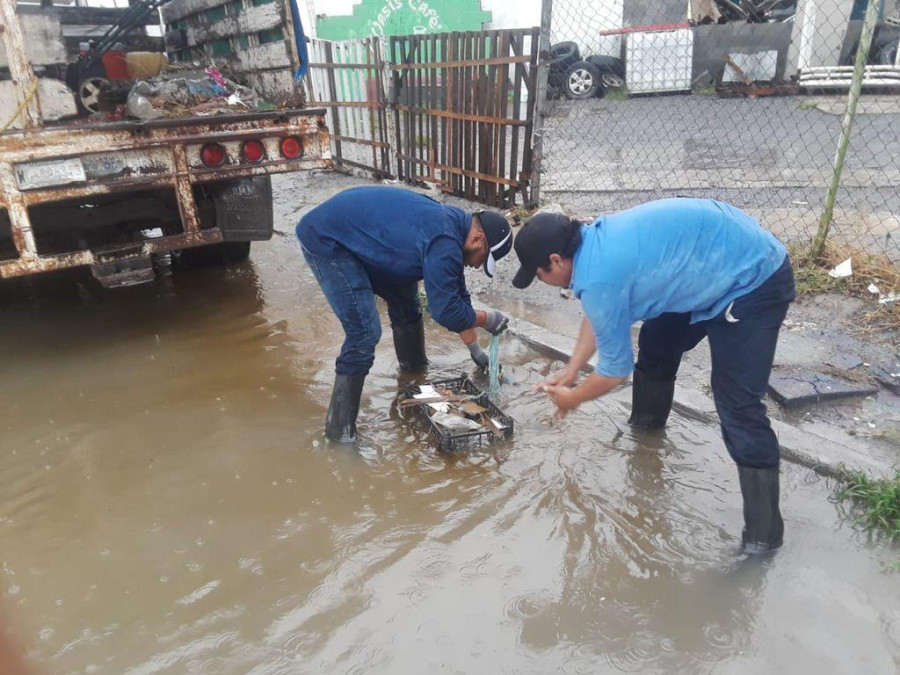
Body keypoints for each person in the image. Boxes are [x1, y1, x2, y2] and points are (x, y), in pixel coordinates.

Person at [511, 198, 795, 554]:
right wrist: (571, 371)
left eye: (539, 275)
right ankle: (646, 433)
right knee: (657, 345)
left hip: (752, 276)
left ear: (555, 260)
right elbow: (600, 316)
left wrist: (574, 397)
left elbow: (615, 371)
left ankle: (763, 539)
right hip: (708, 253)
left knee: (738, 404)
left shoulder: (599, 275)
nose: (543, 281)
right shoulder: (591, 244)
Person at [297, 186, 512, 443]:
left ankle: (412, 377)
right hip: (329, 239)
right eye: (482, 258)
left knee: (407, 306)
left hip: (370, 241)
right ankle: (339, 434)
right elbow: (446, 311)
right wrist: (488, 319)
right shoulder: (444, 241)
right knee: (364, 333)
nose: (477, 265)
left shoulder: (453, 228)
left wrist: (476, 351)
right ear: (478, 239)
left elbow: (456, 297)